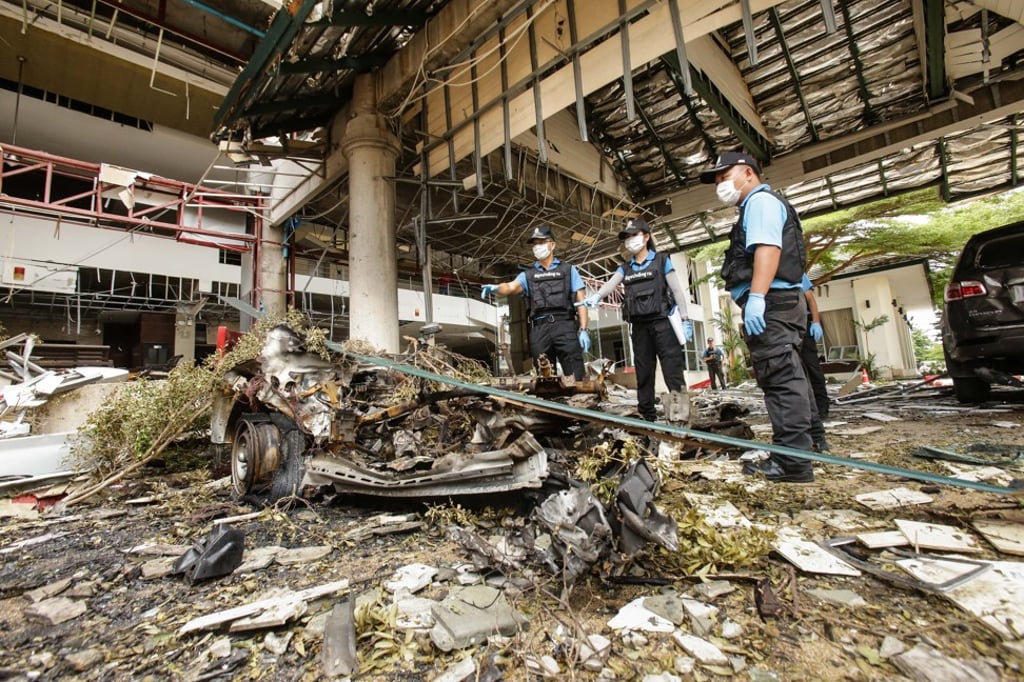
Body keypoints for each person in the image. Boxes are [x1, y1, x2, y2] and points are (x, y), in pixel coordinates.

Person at [700, 151, 814, 483]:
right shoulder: (756, 205)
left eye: (725, 176)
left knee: (780, 381)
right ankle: (802, 452)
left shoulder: (761, 203)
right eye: (717, 180)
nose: (721, 184)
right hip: (780, 303)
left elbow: (768, 249)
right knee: (791, 379)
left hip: (773, 304)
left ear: (748, 173)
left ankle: (792, 464)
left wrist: (758, 297)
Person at [583, 218, 693, 422]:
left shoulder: (661, 261)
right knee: (643, 374)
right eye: (627, 237)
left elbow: (677, 291)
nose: (630, 240)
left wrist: (685, 319)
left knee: (673, 373)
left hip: (663, 324)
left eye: (634, 235)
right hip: (640, 328)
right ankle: (647, 417)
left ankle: (680, 420)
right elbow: (610, 284)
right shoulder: (625, 268)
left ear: (646, 237)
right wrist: (597, 296)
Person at [481, 225, 589, 380]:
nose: (537, 247)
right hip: (539, 329)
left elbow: (581, 302)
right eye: (535, 244)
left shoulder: (568, 270)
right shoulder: (528, 275)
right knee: (545, 380)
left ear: (552, 245)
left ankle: (580, 403)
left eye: (541, 242)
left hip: (565, 326)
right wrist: (496, 288)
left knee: (576, 377)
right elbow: (510, 287)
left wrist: (584, 329)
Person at [801, 274, 831, 452]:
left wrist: (816, 322)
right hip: (784, 326)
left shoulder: (795, 271)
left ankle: (822, 408)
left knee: (813, 370)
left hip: (804, 324)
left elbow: (811, 300)